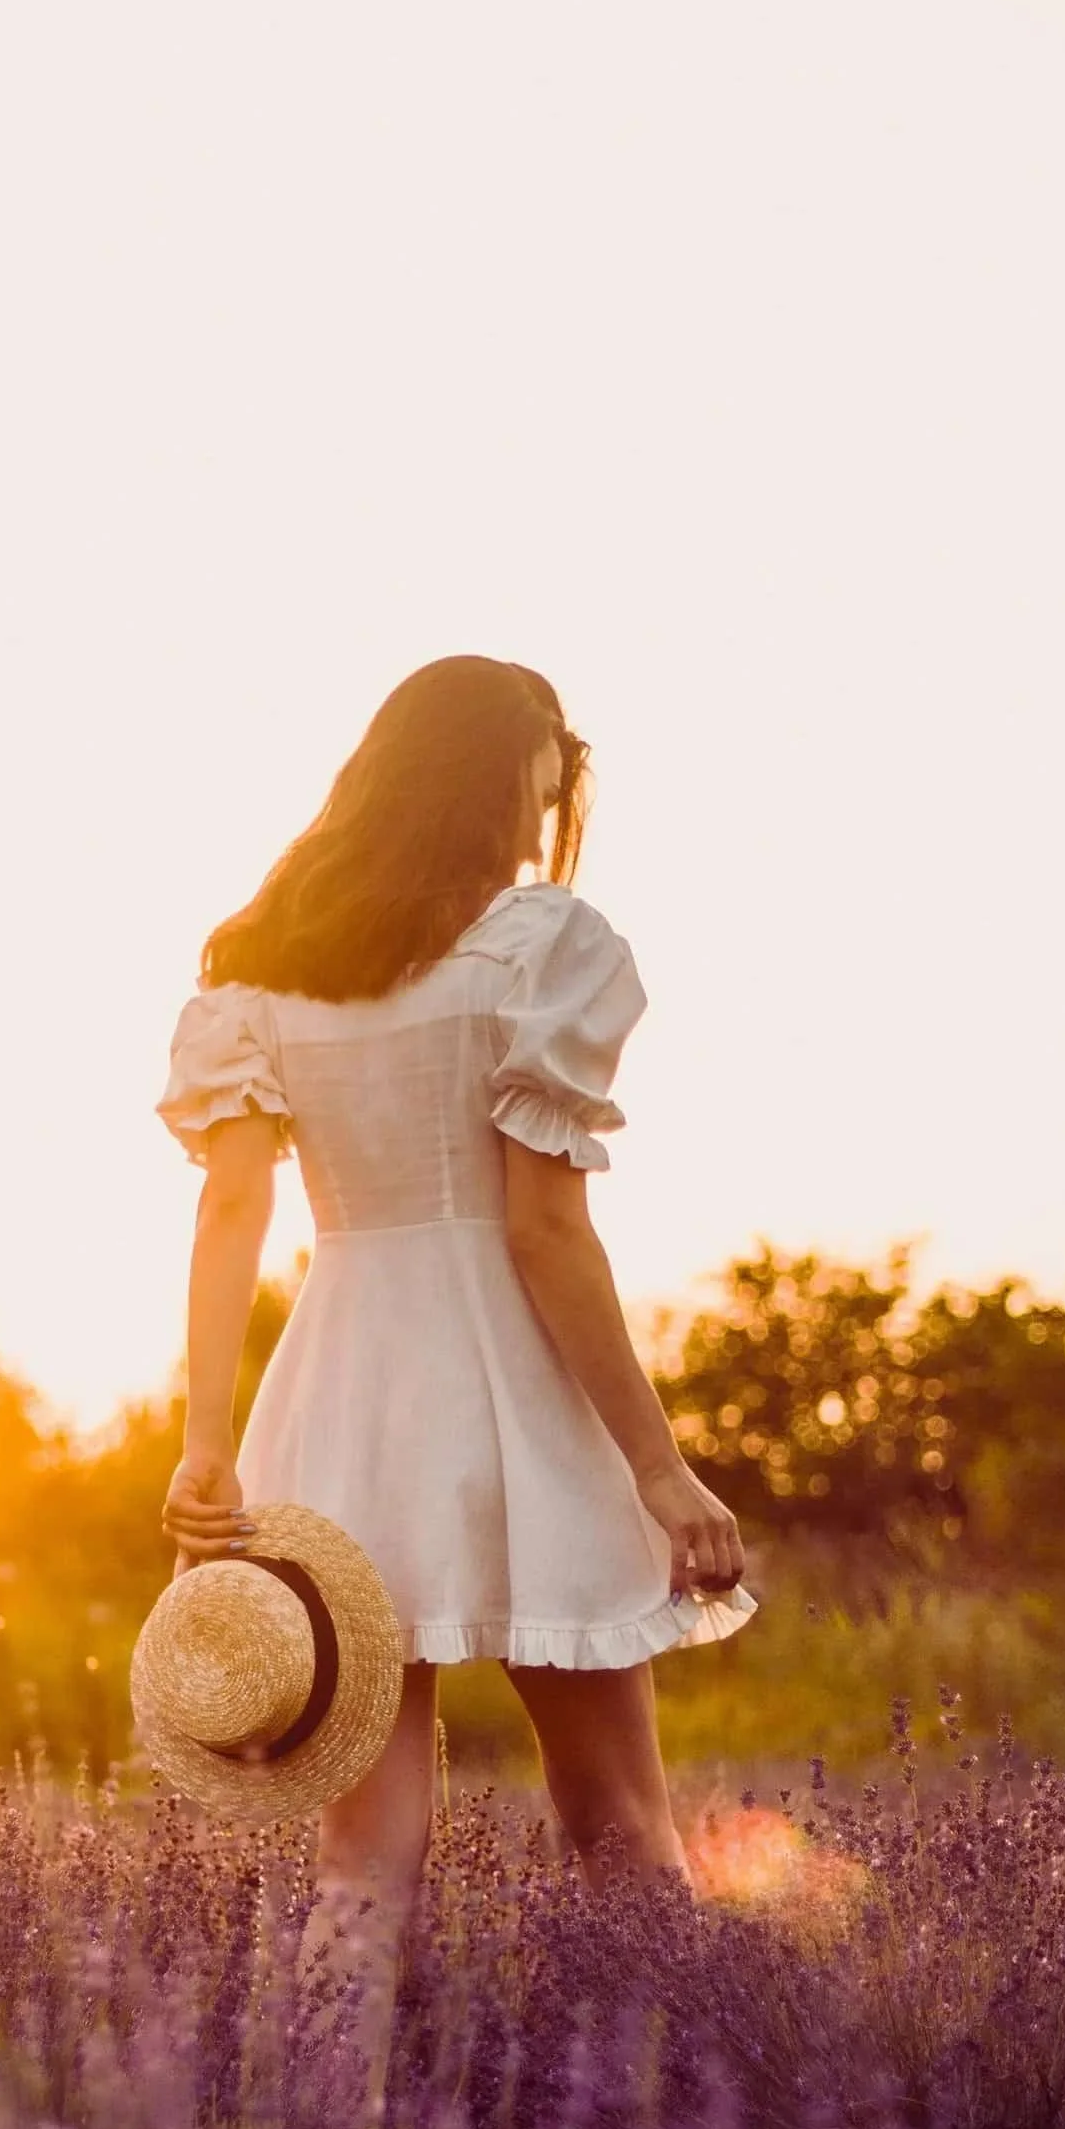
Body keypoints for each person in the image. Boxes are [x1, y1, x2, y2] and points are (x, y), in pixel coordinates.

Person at [156, 653, 752, 1993]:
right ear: (506, 764)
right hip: (513, 1391)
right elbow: (543, 1230)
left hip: (341, 1396)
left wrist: (208, 1448)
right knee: (622, 1823)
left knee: (361, 1862)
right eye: (552, 751)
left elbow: (231, 1218)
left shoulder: (262, 974)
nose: (561, 780)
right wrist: (660, 1467)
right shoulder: (545, 948)